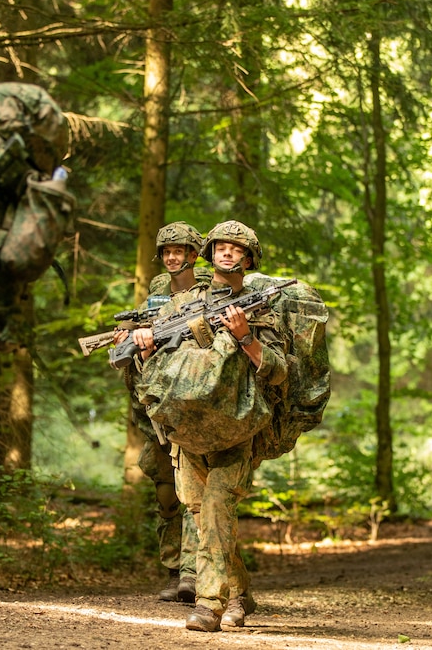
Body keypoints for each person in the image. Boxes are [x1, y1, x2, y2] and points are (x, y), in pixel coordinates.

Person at [131, 220, 287, 632]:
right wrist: (144, 350)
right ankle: (240, 594)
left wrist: (246, 337)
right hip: (187, 432)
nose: (228, 252)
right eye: (221, 245)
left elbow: (277, 371)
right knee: (205, 520)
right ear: (209, 252)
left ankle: (208, 604)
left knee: (217, 511)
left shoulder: (258, 306)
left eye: (237, 249)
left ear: (248, 259)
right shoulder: (180, 303)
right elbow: (156, 368)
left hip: (235, 431)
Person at [118, 222, 206, 603]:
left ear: (193, 254)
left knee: (194, 492)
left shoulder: (208, 293)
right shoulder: (153, 297)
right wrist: (129, 342)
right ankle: (173, 570)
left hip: (192, 406)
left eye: (180, 250)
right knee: (166, 494)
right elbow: (131, 361)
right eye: (167, 251)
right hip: (155, 409)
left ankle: (192, 573)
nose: (172, 257)